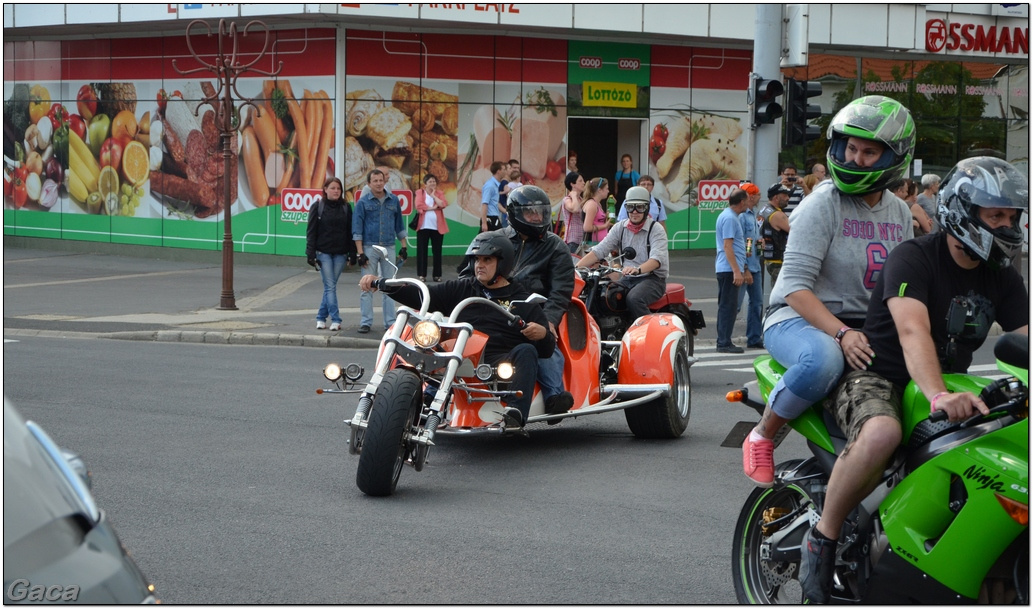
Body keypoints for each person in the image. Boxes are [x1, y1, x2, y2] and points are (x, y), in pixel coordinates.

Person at [798, 156, 1029, 603]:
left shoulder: (1000, 275)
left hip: (946, 384)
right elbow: (912, 331)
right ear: (963, 211)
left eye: (1012, 217)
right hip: (877, 377)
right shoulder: (914, 257)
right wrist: (938, 392)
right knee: (882, 432)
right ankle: (822, 538)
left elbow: (1025, 336)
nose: (1006, 226)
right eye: (994, 215)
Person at [742, 95, 917, 489]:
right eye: (850, 148)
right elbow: (794, 289)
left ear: (896, 157)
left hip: (866, 326)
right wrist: (840, 333)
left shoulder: (900, 213)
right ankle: (763, 433)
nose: (855, 159)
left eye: (869, 152)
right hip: (798, 320)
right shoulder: (822, 204)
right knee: (824, 361)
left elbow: (902, 287)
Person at [360, 231, 556, 428]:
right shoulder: (463, 288)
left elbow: (547, 349)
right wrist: (383, 284)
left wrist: (542, 334)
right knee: (429, 343)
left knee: (527, 351)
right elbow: (421, 294)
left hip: (498, 362)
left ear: (503, 263)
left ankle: (515, 413)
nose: (479, 265)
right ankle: (420, 402)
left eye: (487, 259)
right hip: (459, 354)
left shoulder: (523, 298)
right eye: (476, 260)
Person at [575, 185, 669, 322]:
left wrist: (637, 269)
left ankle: (649, 332)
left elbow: (656, 259)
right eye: (630, 207)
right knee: (602, 295)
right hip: (628, 278)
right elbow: (599, 250)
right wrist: (576, 269)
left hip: (652, 279)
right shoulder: (621, 227)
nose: (634, 211)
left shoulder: (656, 229)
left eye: (640, 207)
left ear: (646, 208)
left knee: (634, 299)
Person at [353, 168, 407, 334]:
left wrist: (404, 246)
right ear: (369, 184)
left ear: (385, 181)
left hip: (389, 246)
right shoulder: (363, 203)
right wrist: (360, 253)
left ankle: (390, 323)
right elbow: (357, 228)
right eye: (374, 181)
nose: (378, 183)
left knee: (389, 286)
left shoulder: (393, 201)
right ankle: (366, 321)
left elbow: (399, 225)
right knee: (366, 286)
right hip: (369, 247)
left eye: (380, 180)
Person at [306, 177, 357, 332]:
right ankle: (336, 319)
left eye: (338, 189)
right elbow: (311, 232)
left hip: (341, 254)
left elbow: (351, 232)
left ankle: (321, 317)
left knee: (330, 286)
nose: (336, 191)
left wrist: (352, 253)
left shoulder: (346, 207)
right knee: (330, 286)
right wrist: (310, 254)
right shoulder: (317, 207)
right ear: (325, 189)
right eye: (333, 188)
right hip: (323, 253)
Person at [714, 188, 750, 353]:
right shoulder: (730, 218)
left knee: (727, 306)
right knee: (728, 306)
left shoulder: (729, 216)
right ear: (742, 202)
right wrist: (737, 271)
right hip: (728, 269)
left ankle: (724, 340)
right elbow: (727, 246)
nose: (748, 204)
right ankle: (723, 342)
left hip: (728, 268)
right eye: (747, 200)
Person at [736, 183, 764, 349]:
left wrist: (760, 244)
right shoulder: (741, 216)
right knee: (736, 304)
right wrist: (744, 267)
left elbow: (752, 239)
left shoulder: (753, 214)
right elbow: (739, 243)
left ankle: (754, 337)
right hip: (745, 266)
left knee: (756, 302)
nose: (759, 197)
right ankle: (724, 338)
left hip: (755, 264)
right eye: (757, 194)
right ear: (751, 196)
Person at [413, 174, 449, 282]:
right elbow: (419, 205)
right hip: (423, 227)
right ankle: (422, 275)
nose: (432, 183)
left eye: (434, 181)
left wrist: (434, 196)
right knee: (422, 251)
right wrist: (432, 208)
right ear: (425, 184)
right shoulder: (420, 192)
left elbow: (443, 204)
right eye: (430, 182)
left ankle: (437, 275)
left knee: (437, 251)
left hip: (437, 227)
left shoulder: (439, 193)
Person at [759, 183, 791, 285]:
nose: (788, 198)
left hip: (769, 258)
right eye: (785, 195)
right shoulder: (777, 215)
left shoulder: (763, 209)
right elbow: (796, 231)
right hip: (778, 260)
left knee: (777, 292)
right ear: (776, 197)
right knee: (785, 292)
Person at [581, 177, 614, 245]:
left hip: (599, 243)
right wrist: (604, 226)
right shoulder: (592, 204)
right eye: (606, 189)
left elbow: (597, 222)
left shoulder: (597, 204)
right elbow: (587, 227)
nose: (608, 191)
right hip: (591, 243)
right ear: (599, 190)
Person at [561, 171, 586, 253]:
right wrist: (574, 195)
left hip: (582, 240)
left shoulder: (581, 200)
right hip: (572, 240)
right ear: (572, 184)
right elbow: (574, 209)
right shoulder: (567, 199)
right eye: (580, 181)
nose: (584, 183)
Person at [480, 161, 507, 232]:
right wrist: (484, 223)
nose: (505, 171)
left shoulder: (495, 185)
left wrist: (507, 212)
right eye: (504, 169)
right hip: (490, 218)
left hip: (494, 217)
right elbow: (484, 204)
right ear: (498, 171)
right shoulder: (490, 186)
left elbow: (495, 203)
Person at [498, 159, 521, 228]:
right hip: (507, 213)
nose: (516, 170)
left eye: (518, 168)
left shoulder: (511, 182)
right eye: (512, 168)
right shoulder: (505, 182)